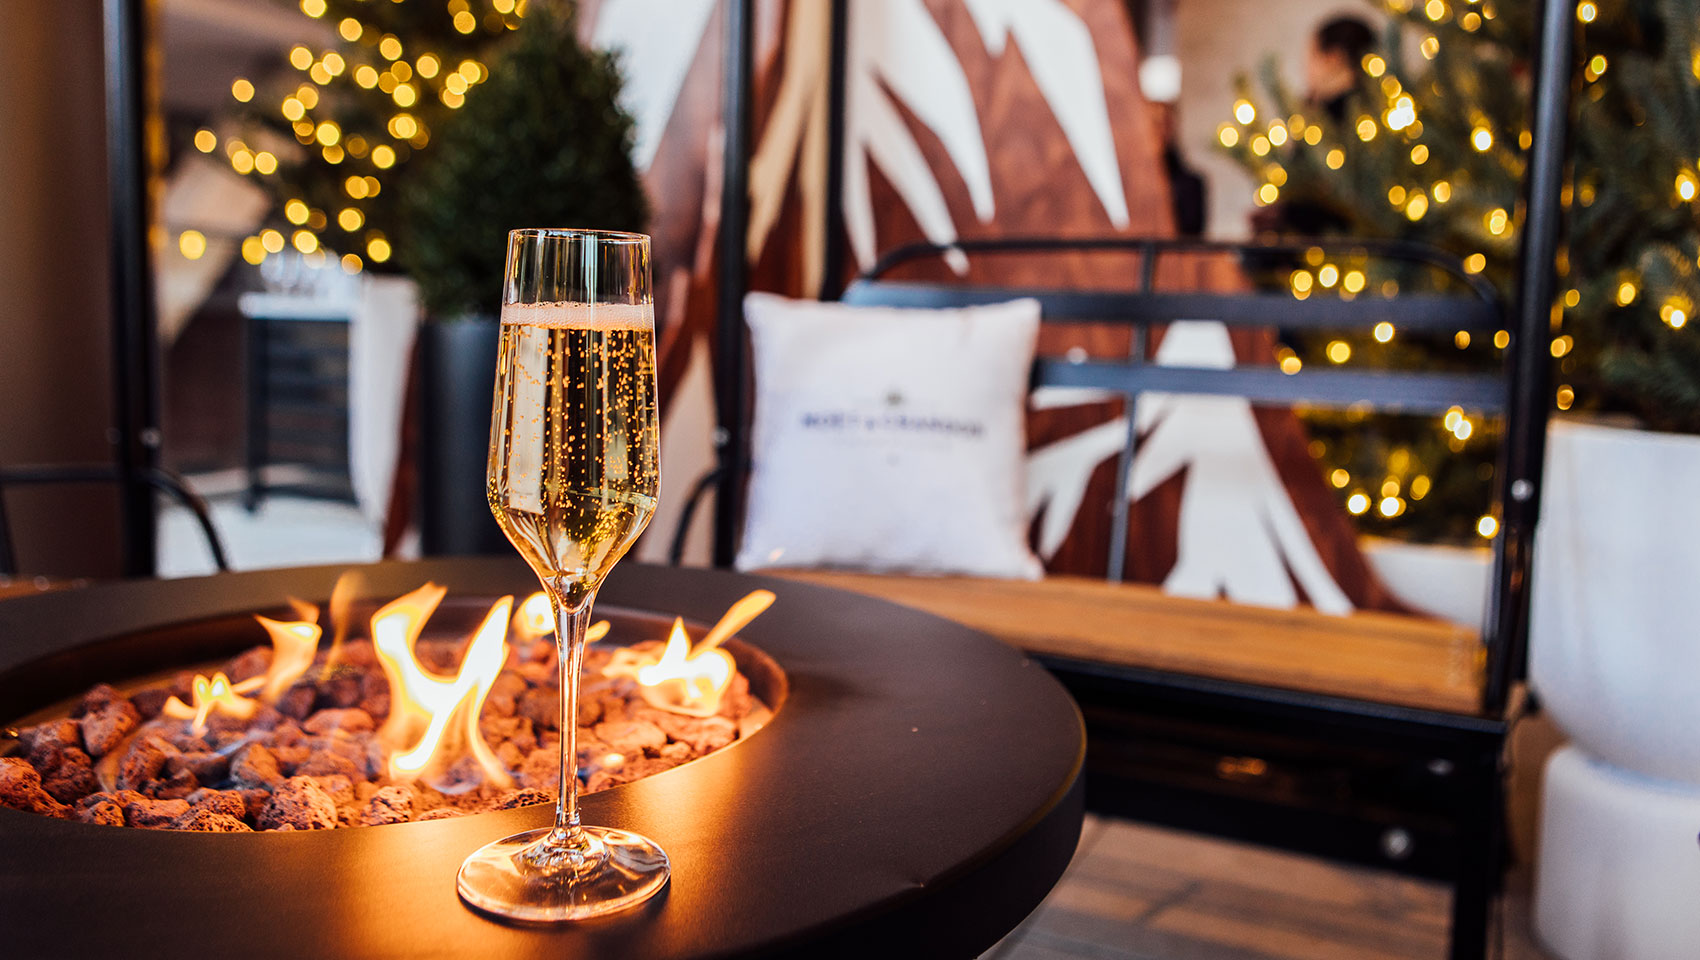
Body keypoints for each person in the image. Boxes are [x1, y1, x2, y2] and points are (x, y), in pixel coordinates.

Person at [1305, 16, 1376, 123]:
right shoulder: (1380, 106)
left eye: (1312, 54)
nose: (1305, 66)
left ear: (1333, 58)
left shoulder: (1318, 121)